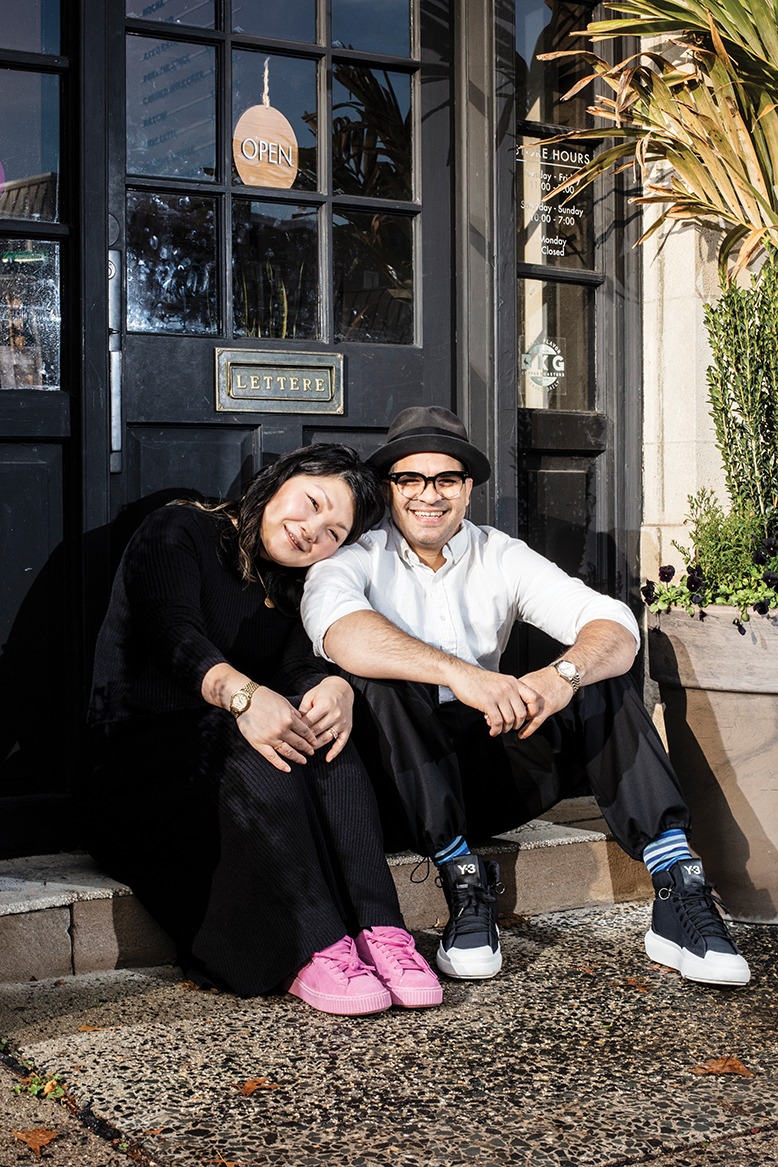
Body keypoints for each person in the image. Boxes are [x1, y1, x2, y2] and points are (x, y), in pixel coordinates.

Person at [301, 408, 751, 989]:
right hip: (402, 787)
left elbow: (611, 622)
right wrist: (462, 675)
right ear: (389, 489)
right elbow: (343, 631)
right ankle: (463, 878)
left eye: (445, 480)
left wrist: (559, 676)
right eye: (410, 480)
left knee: (597, 672)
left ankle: (677, 883)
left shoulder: (499, 553)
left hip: (496, 772)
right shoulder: (352, 557)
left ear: (466, 490)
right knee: (380, 680)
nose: (427, 495)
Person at [77, 443, 442, 1015]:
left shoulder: (294, 581)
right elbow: (172, 633)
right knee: (257, 749)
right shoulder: (179, 527)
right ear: (281, 478)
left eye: (333, 532)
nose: (310, 531)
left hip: (224, 740)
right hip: (137, 761)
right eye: (312, 502)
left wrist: (334, 685)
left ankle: (381, 930)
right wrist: (244, 696)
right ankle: (311, 946)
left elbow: (299, 664)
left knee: (325, 737)